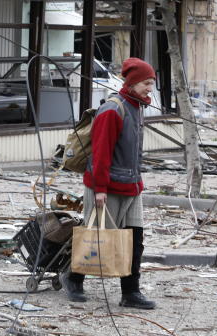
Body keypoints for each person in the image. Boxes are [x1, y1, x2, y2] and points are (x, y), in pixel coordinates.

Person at [61, 57, 157, 309]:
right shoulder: (113, 110)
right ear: (133, 83)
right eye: (147, 83)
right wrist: (100, 189)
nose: (150, 89)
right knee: (94, 234)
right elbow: (101, 154)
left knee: (135, 238)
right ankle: (72, 279)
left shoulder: (136, 107)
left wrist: (138, 182)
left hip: (132, 185)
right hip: (106, 185)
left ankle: (130, 292)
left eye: (152, 84)